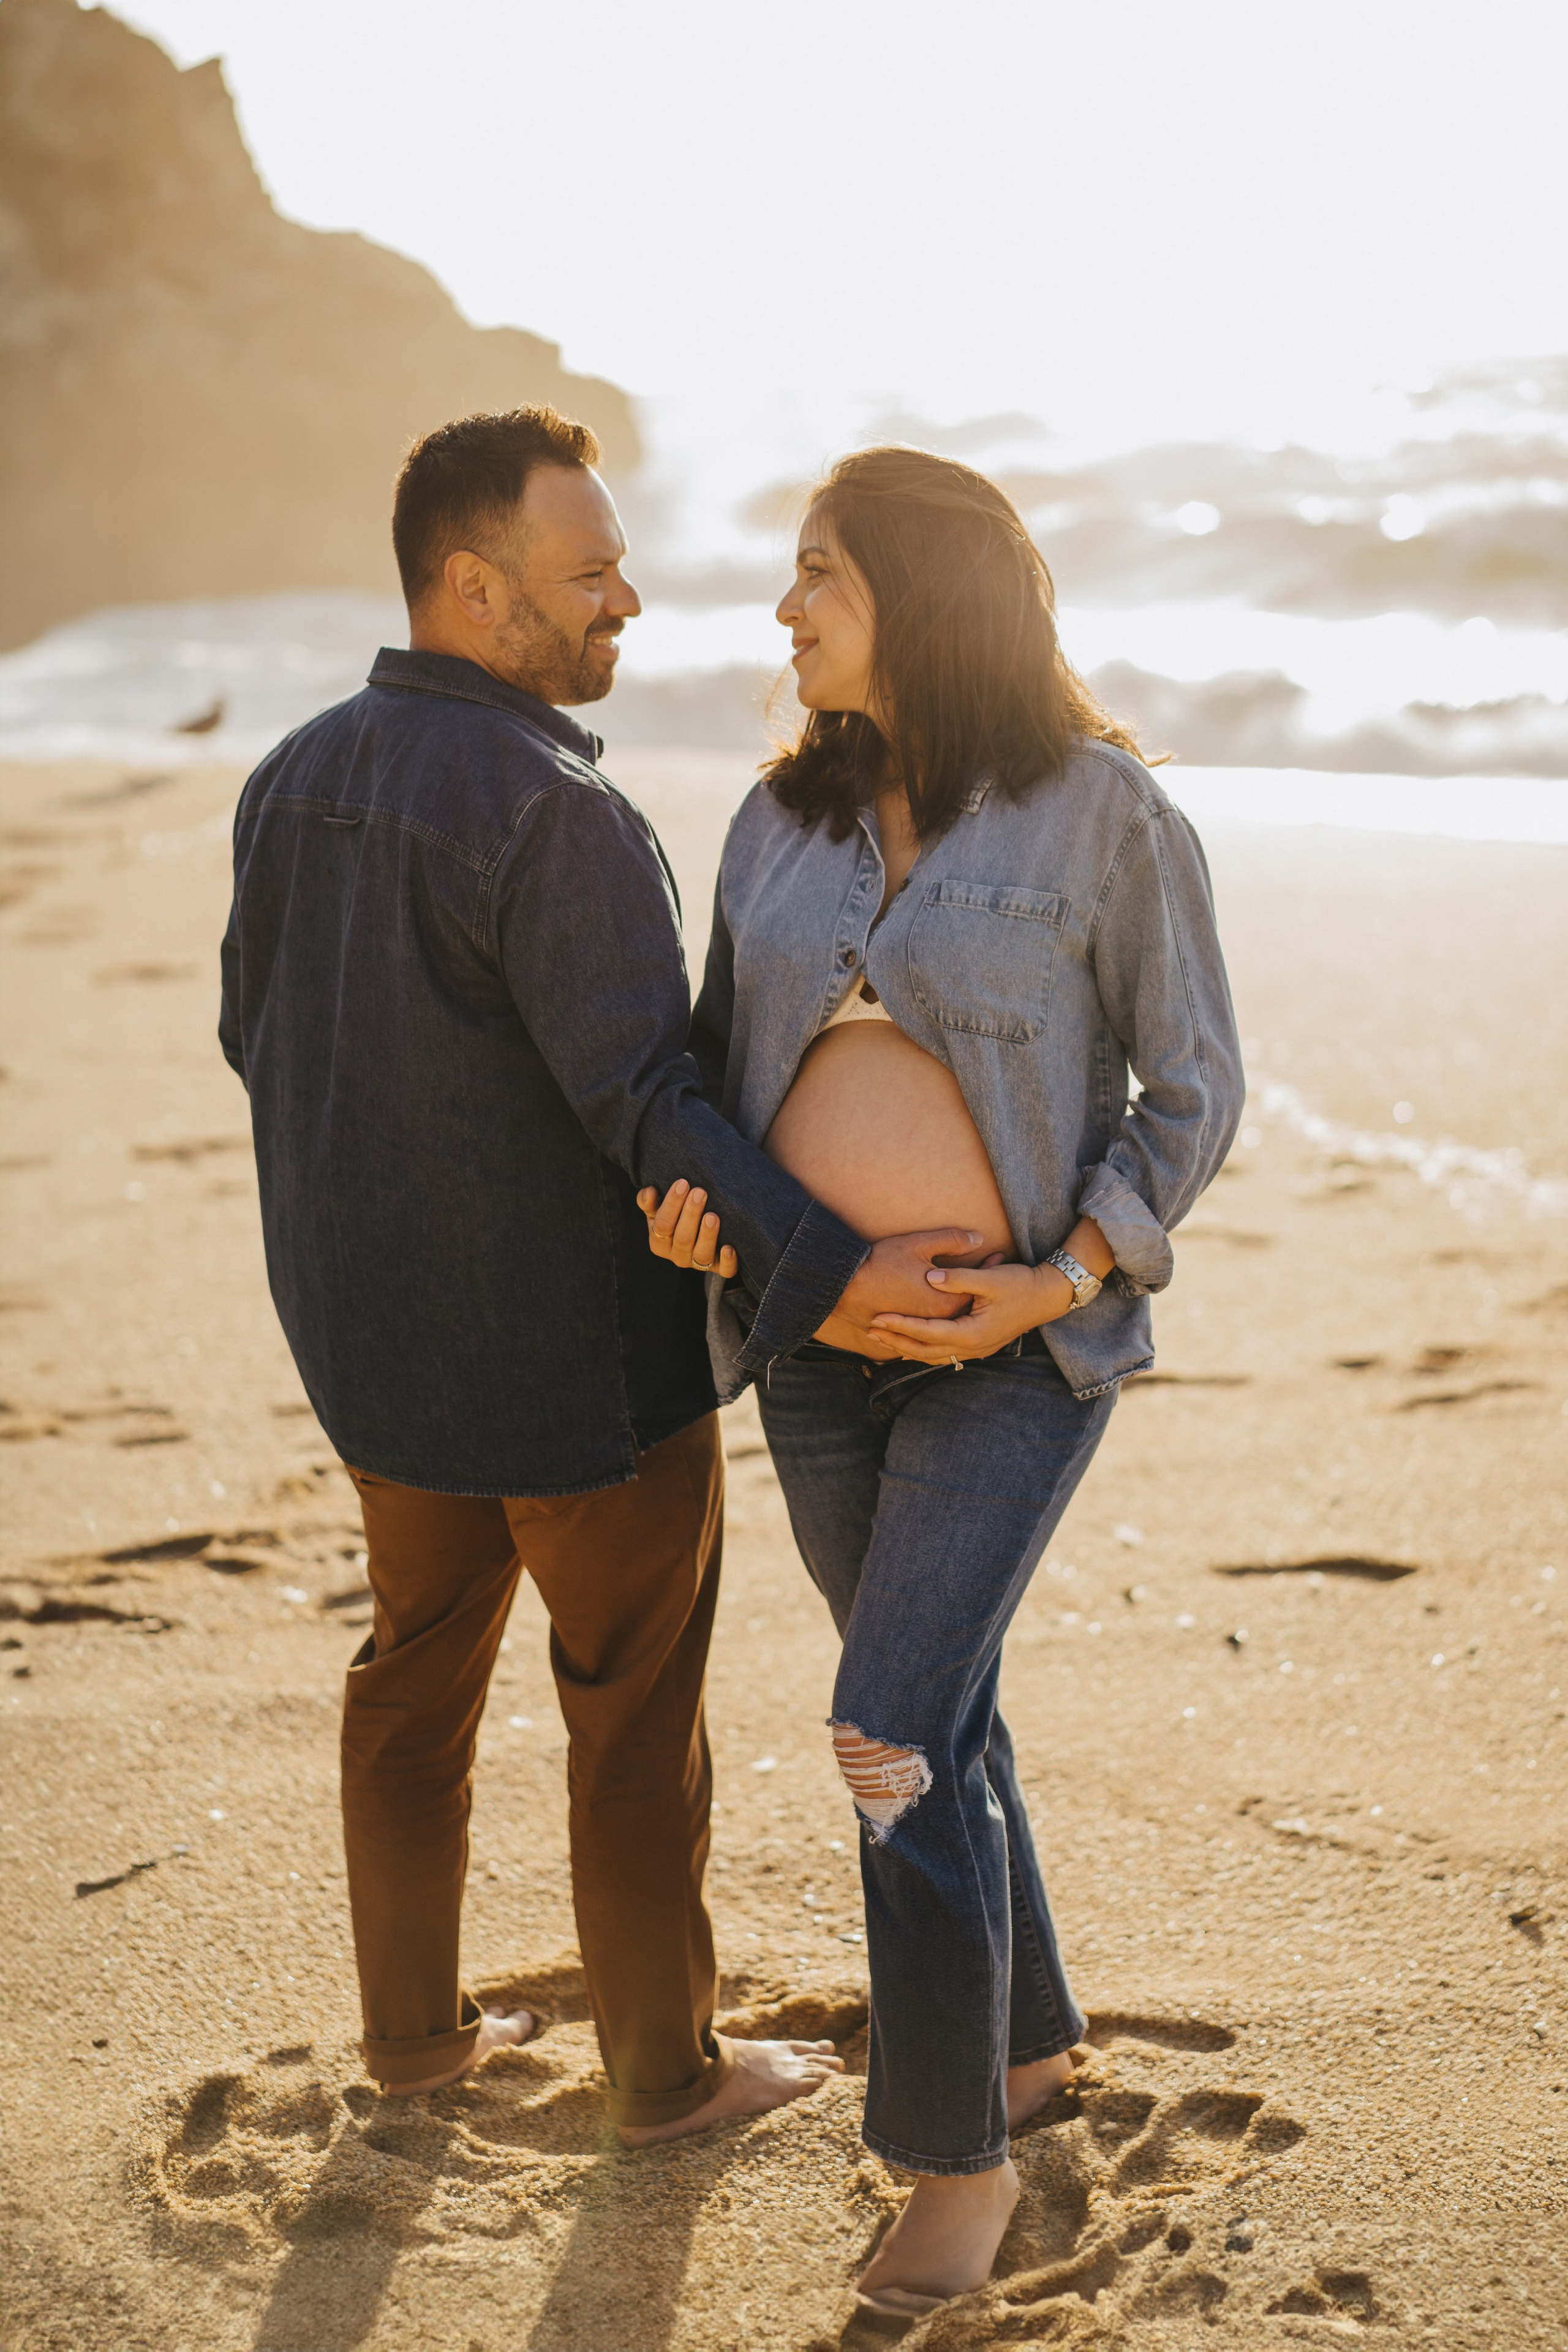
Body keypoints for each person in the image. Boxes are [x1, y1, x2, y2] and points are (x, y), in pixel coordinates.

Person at [219, 406, 966, 2145]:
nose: (628, 598)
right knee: (630, 1715)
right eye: (590, 572)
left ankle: (410, 2045)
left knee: (412, 1675)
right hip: (581, 1379)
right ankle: (667, 2079)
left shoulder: (287, 777)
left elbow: (261, 1039)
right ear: (474, 589)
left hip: (375, 1358)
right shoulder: (554, 808)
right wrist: (838, 1278)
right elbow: (652, 1108)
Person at [639, 445, 1244, 2309]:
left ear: (927, 589)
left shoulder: (1100, 811)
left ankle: (953, 2164)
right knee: (943, 1712)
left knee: (886, 1725)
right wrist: (703, 1219)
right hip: (814, 1358)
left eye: (820, 569)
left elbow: (1191, 1090)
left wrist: (1056, 1276)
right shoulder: (772, 827)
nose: (785, 605)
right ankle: (1034, 2044)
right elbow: (710, 1094)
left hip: (1010, 1353)